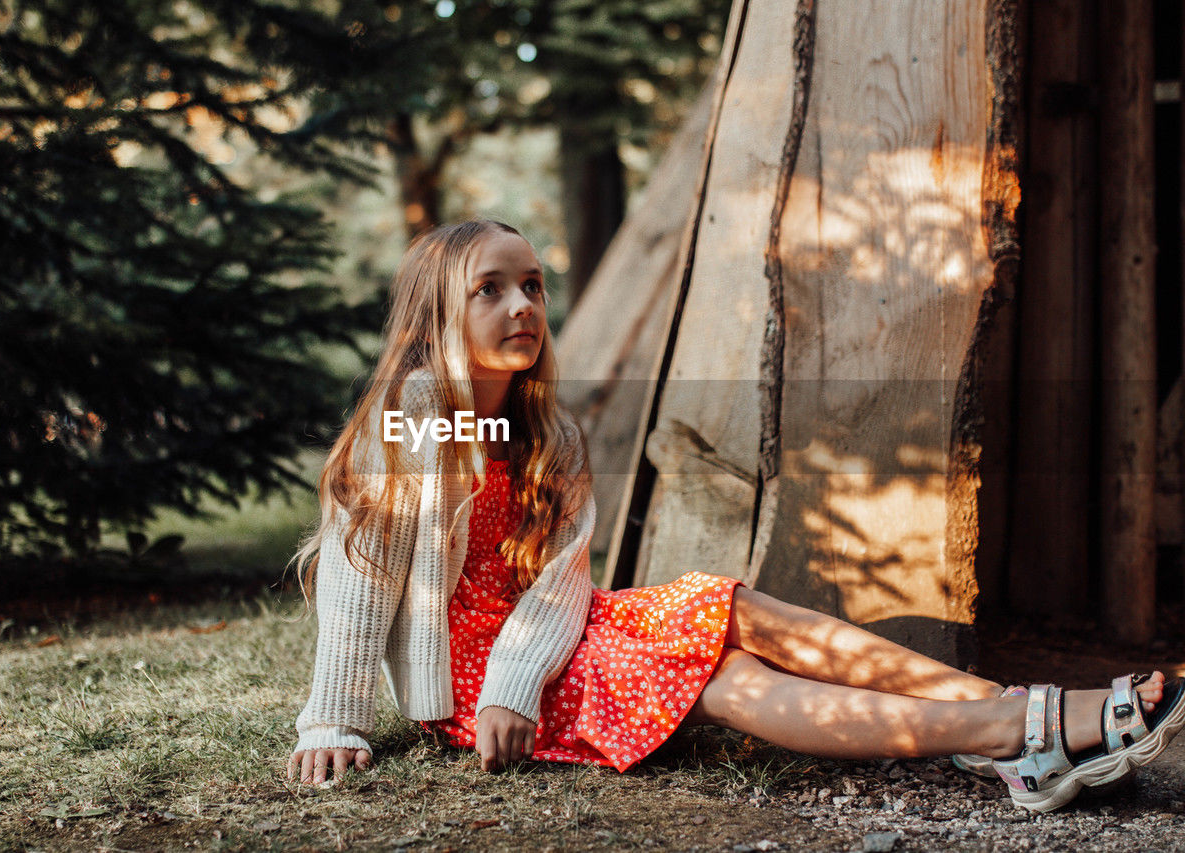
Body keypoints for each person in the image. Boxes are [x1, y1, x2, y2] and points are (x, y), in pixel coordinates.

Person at [285, 218, 1184, 814]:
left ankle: (1008, 716)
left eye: (534, 285)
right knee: (721, 680)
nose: (523, 305)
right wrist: (335, 720)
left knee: (742, 607)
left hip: (548, 637)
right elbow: (358, 578)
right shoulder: (410, 420)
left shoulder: (548, 427)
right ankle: (1015, 732)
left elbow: (563, 584)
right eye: (491, 289)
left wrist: (529, 664)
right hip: (477, 684)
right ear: (437, 306)